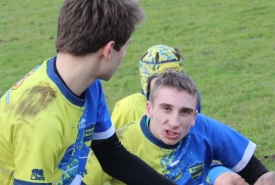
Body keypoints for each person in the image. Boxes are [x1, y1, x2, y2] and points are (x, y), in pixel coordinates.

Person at [0, 0, 177, 185]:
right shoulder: (42, 120)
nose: (124, 54)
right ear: (109, 50)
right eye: (125, 46)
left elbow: (113, 157)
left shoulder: (88, 84)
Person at [82, 69, 275, 185]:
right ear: (149, 109)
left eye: (184, 112)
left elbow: (257, 172)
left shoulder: (204, 128)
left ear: (194, 116)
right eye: (166, 108)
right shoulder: (118, 145)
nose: (174, 122)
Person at [110, 44, 244, 184]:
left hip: (191, 167)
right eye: (159, 80)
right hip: (146, 174)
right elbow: (110, 150)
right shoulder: (128, 107)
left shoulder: (188, 99)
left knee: (232, 180)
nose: (166, 84)